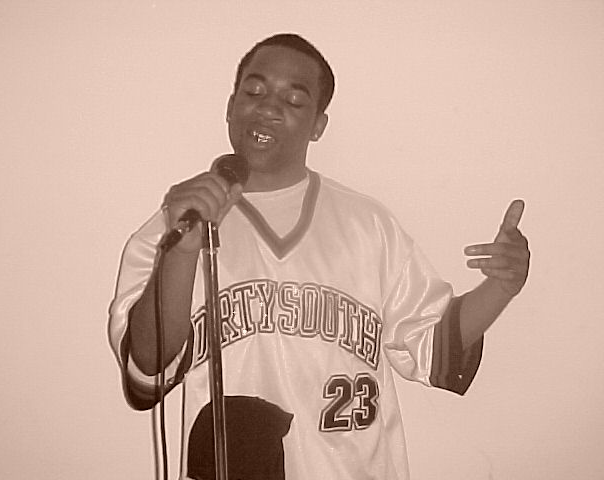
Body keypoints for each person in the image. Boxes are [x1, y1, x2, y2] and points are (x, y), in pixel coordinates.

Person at [108, 33, 530, 480]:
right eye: (254, 92)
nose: (268, 108)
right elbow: (147, 374)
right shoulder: (174, 226)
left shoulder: (368, 225)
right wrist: (183, 249)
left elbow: (435, 349)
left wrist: (502, 287)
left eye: (293, 100)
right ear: (230, 107)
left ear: (318, 126)